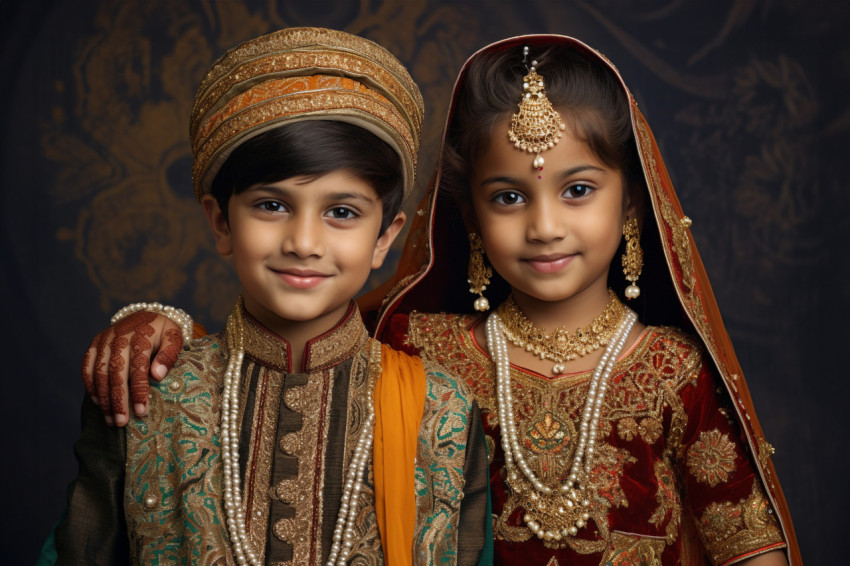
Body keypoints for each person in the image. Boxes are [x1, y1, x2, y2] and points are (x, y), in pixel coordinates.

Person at [82, 35, 801, 565]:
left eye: (578, 190)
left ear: (633, 207)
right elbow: (290, 345)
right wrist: (162, 324)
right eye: (509, 196)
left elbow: (746, 548)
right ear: (471, 218)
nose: (545, 225)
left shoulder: (673, 370)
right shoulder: (421, 346)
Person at [51, 27, 490, 565]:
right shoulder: (145, 396)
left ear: (384, 238)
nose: (304, 243)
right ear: (220, 222)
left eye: (342, 213)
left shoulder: (442, 412)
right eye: (272, 206)